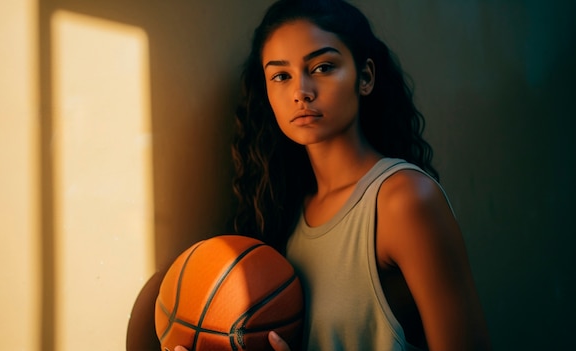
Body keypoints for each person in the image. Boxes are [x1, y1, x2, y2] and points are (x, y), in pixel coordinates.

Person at [127, 0, 492, 350]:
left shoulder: (404, 200)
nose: (301, 92)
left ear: (364, 77)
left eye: (322, 67)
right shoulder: (285, 215)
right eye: (281, 76)